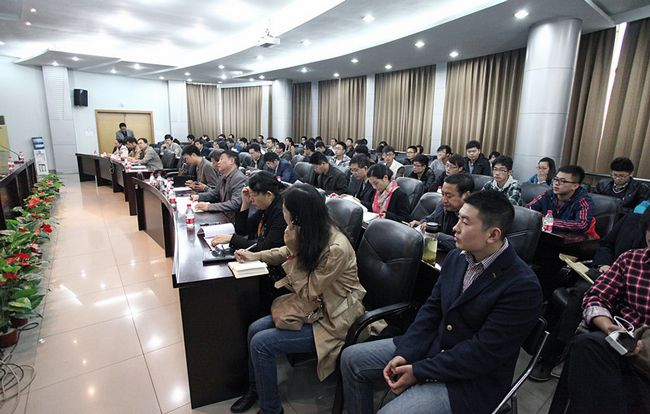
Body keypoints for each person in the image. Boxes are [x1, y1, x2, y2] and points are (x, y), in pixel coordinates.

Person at [341, 190, 543, 414]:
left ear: (493, 235)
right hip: (433, 347)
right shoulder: (457, 258)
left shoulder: (522, 286)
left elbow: (482, 354)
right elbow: (431, 310)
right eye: (458, 218)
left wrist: (419, 371)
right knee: (352, 359)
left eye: (465, 222)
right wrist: (406, 353)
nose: (455, 228)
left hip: (470, 380)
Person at [230, 184, 367, 414]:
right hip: (315, 307)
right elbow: (285, 251)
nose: (283, 212)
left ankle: (271, 409)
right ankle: (257, 389)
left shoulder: (336, 248)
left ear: (297, 214)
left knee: (262, 344)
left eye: (285, 209)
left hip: (335, 317)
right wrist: (255, 255)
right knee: (255, 329)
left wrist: (293, 252)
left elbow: (309, 290)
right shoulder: (312, 227)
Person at [531, 208, 650, 382]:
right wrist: (604, 264)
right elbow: (606, 245)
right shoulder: (632, 222)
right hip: (609, 274)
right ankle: (554, 353)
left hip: (633, 302)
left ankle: (561, 354)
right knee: (581, 293)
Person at [210, 171, 286, 253]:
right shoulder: (266, 206)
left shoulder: (281, 212)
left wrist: (232, 239)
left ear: (268, 195)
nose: (251, 200)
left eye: (254, 195)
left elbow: (266, 248)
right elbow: (242, 230)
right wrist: (245, 203)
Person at [527, 165, 598, 237]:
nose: (556, 183)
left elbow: (581, 225)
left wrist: (548, 221)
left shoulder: (583, 201)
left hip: (578, 241)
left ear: (575, 186)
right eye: (555, 179)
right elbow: (527, 210)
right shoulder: (548, 195)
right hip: (551, 236)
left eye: (562, 181)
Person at [409, 173, 474, 251]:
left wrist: (435, 234)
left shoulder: (474, 216)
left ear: (466, 195)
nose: (444, 200)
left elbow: (463, 244)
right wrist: (421, 224)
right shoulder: (443, 205)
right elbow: (431, 219)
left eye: (449, 196)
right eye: (443, 194)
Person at [192, 150, 248, 221]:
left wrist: (209, 207)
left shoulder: (239, 178)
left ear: (231, 161)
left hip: (233, 220)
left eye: (221, 159)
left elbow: (235, 203)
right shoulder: (223, 176)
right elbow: (215, 194)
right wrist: (198, 197)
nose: (218, 162)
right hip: (223, 214)